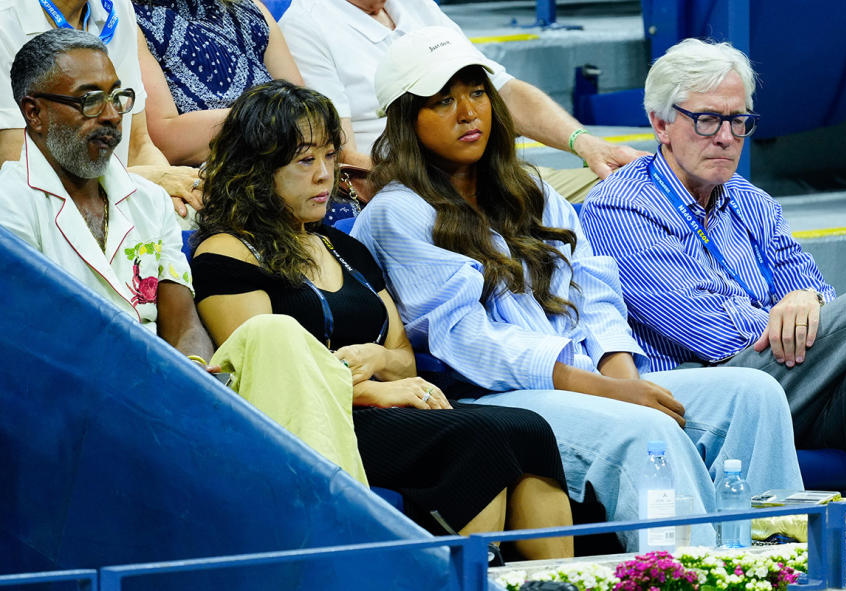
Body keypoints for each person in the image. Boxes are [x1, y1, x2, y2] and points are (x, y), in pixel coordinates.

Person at [352, 26, 804, 552]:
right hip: (499, 398)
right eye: (442, 101)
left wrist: (620, 372)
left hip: (589, 378)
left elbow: (596, 288)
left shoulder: (530, 189)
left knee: (753, 395)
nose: (468, 112)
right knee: (649, 434)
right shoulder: (397, 213)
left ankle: (775, 563)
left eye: (476, 93)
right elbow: (470, 341)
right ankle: (694, 578)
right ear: (408, 118)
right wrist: (611, 393)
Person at [189, 79, 574, 558]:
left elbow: (404, 359)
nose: (325, 175)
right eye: (305, 160)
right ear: (257, 168)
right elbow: (266, 376)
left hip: (385, 406)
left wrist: (378, 359)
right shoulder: (227, 252)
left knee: (529, 428)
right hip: (320, 423)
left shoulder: (343, 246)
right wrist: (375, 388)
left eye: (330, 156)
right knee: (481, 438)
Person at [0, 28, 368, 484]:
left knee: (275, 334)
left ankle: (333, 531)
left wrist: (190, 383)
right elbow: (36, 340)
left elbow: (182, 324)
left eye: (120, 97)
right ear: (33, 112)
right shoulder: (9, 205)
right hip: (71, 399)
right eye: (90, 100)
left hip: (166, 393)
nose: (113, 116)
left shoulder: (148, 201)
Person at [581, 38, 846, 463]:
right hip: (702, 393)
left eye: (738, 120)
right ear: (661, 124)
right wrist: (790, 317)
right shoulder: (622, 204)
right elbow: (714, 335)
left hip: (787, 380)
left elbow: (819, 294)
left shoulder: (752, 200)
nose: (726, 137)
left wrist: (807, 301)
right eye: (707, 120)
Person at [278, 0, 644, 202]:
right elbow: (337, 153)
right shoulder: (307, 23)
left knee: (641, 184)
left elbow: (502, 91)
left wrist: (585, 144)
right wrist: (436, 180)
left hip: (493, 173)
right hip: (417, 191)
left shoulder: (416, 6)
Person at [0, 0, 202, 217]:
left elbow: (138, 146)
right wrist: (149, 180)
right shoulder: (6, 20)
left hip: (121, 202)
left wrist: (173, 193)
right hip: (44, 218)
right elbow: (24, 172)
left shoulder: (117, 8)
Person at [133, 0, 304, 166]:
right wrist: (266, 118)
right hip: (214, 177)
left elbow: (302, 107)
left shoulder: (250, 9)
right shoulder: (131, 20)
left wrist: (280, 117)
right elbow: (163, 140)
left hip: (287, 161)